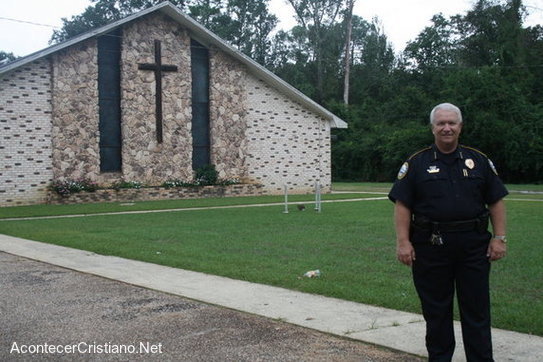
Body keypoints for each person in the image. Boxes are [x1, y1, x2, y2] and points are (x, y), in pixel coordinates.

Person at [388, 103, 508, 361]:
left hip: (473, 247)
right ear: (432, 128)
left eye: (452, 123)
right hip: (430, 247)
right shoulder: (416, 163)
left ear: (460, 127)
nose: (447, 128)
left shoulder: (478, 160)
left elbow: (496, 201)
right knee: (436, 312)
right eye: (441, 123)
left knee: (476, 311)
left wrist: (499, 238)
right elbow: (402, 205)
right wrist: (403, 242)